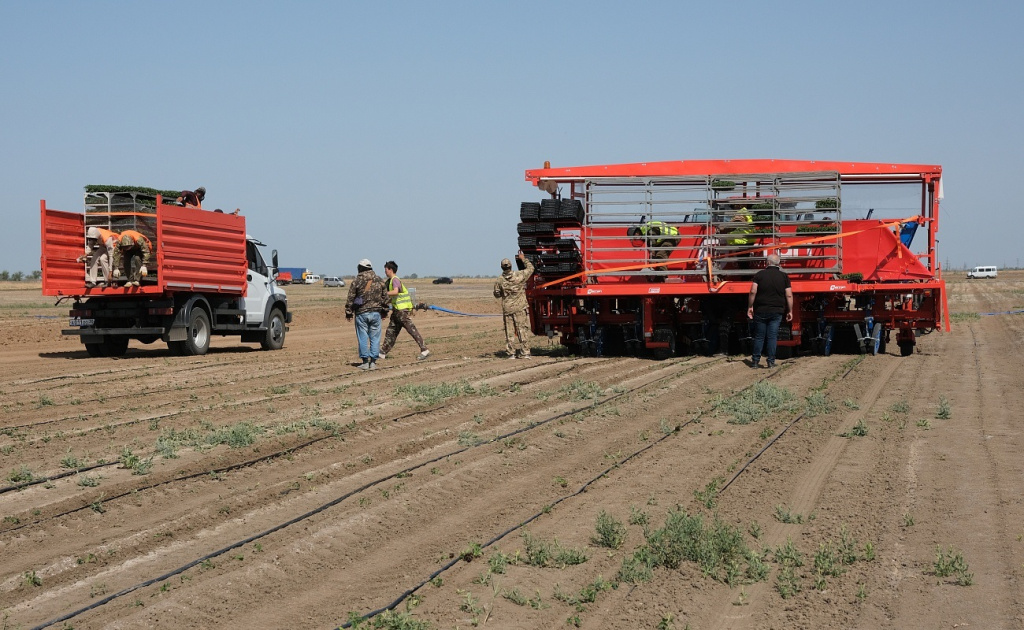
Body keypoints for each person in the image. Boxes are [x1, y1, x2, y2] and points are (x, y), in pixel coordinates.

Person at [747, 253, 794, 368]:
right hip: (776, 311)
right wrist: (790, 310)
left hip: (761, 309)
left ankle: (755, 361)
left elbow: (753, 291)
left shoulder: (759, 275)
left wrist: (750, 306)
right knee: (772, 336)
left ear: (767, 263)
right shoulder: (784, 276)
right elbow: (788, 295)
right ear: (779, 263)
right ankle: (771, 361)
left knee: (759, 336)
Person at [379, 260, 430, 361]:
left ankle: (424, 350)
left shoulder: (395, 280)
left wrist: (385, 294)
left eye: (386, 269)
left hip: (402, 311)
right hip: (396, 311)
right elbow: (391, 298)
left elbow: (395, 292)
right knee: (391, 332)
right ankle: (382, 352)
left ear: (390, 270)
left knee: (411, 330)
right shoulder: (389, 281)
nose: (385, 271)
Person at [345, 258, 388, 370]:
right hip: (376, 313)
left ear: (360, 268)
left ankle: (365, 362)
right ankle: (373, 362)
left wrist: (349, 312)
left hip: (361, 314)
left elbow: (350, 298)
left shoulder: (356, 281)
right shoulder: (379, 280)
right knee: (375, 337)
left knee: (363, 337)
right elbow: (385, 298)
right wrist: (384, 311)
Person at [493, 252, 534, 358]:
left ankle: (511, 353)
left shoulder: (499, 280)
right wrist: (523, 259)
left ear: (502, 267)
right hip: (520, 308)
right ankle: (525, 352)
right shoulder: (519, 275)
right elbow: (531, 269)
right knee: (522, 330)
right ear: (511, 266)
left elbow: (497, 294)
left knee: (510, 332)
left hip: (508, 309)